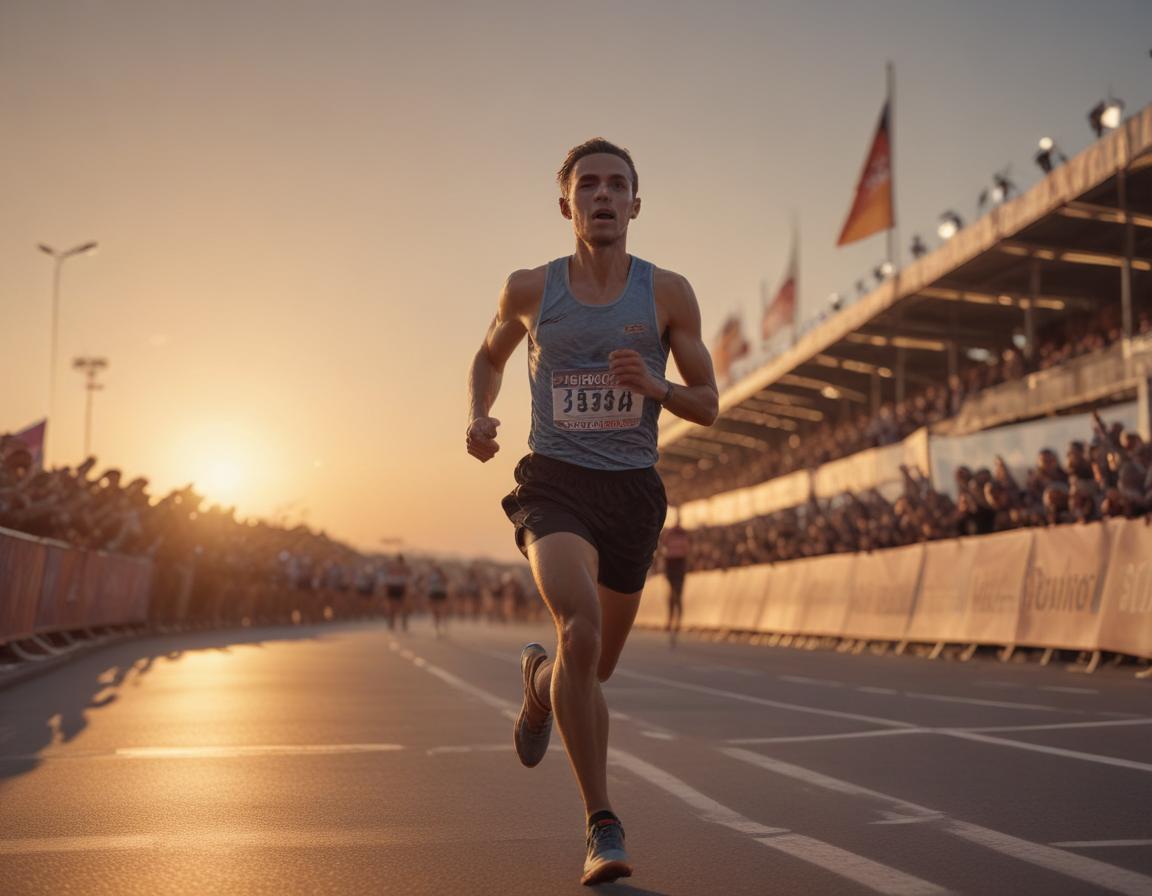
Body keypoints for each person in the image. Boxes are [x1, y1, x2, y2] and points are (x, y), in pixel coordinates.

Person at [465, 138, 718, 886]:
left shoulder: (668, 293)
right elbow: (489, 357)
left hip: (632, 492)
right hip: (556, 483)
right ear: (566, 204)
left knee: (592, 666)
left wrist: (656, 387)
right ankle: (601, 823)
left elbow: (708, 403)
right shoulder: (529, 289)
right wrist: (479, 414)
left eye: (616, 185)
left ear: (636, 204)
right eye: (589, 185)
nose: (602, 195)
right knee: (579, 628)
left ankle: (539, 683)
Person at [660, 519, 691, 645]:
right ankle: (671, 620)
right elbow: (665, 547)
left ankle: (677, 621)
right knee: (673, 595)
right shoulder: (673, 535)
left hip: (678, 566)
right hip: (673, 566)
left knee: (677, 595)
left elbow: (686, 552)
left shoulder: (682, 535)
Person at [382, 553, 411, 632]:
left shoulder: (405, 568)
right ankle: (393, 623)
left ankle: (402, 623)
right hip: (393, 587)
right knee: (392, 607)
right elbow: (386, 578)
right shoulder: (391, 567)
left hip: (400, 587)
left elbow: (408, 578)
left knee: (402, 606)